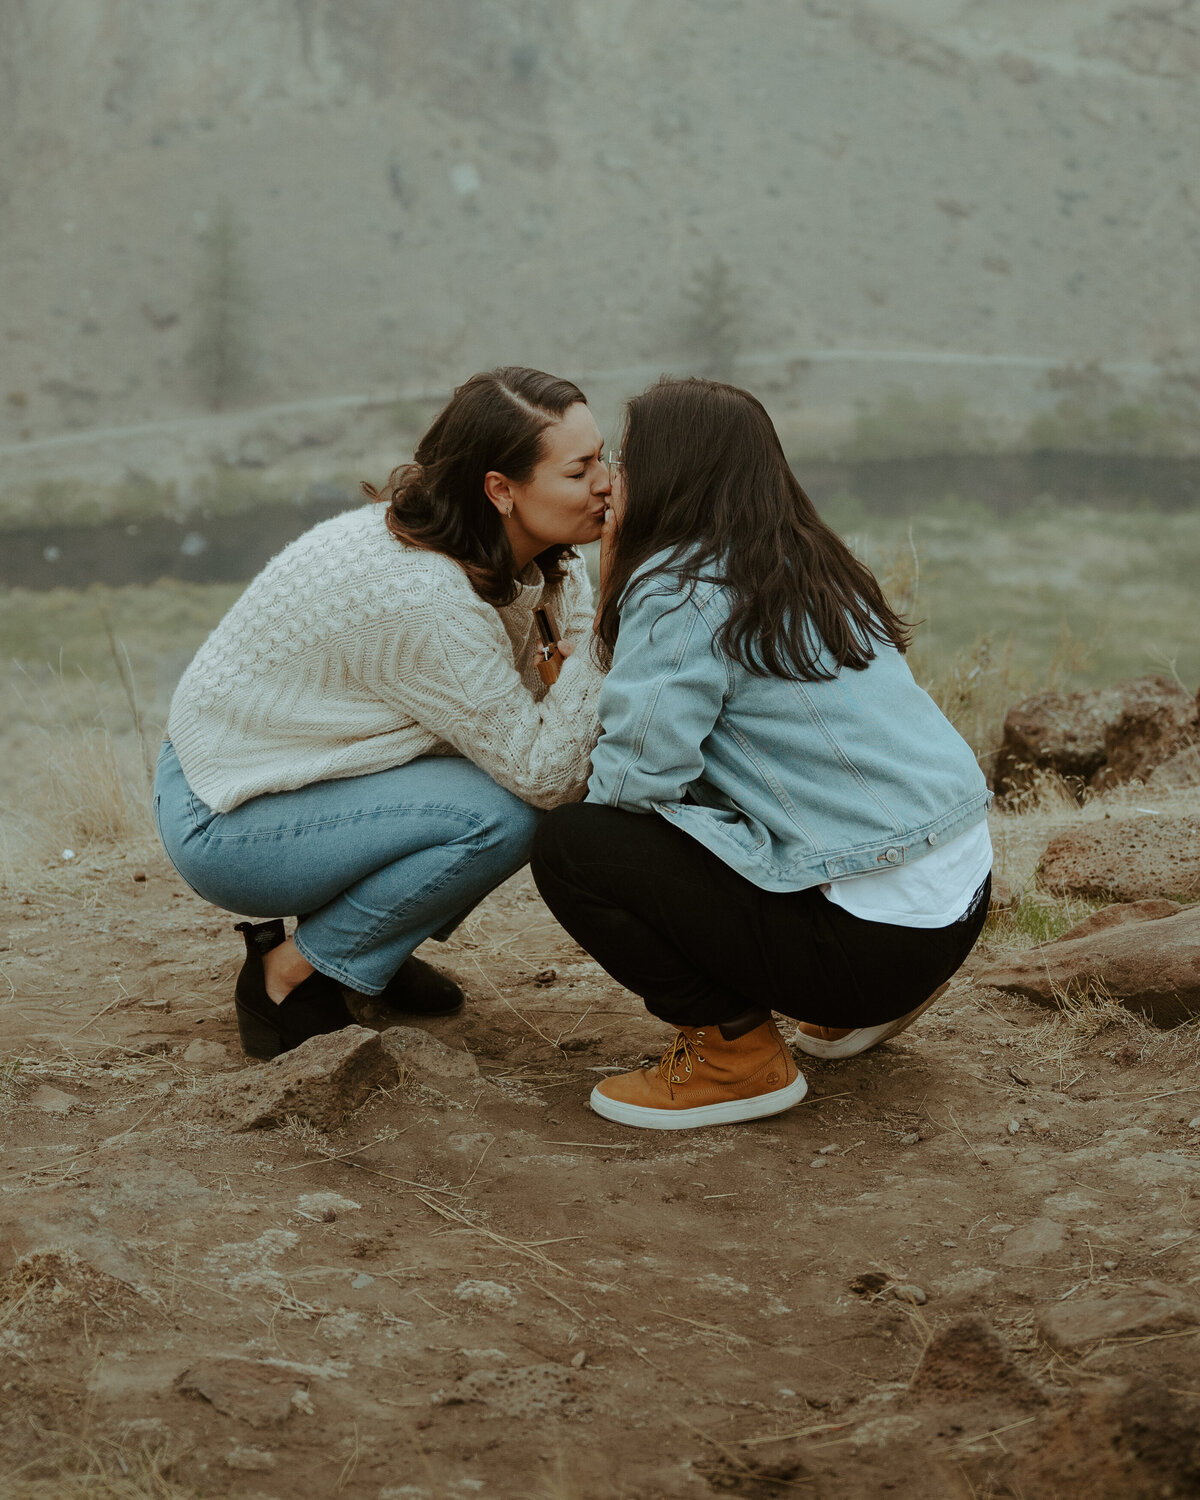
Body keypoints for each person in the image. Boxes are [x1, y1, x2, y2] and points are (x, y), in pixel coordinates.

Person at [531, 377, 992, 1131]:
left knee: (573, 848)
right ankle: (854, 1008)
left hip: (876, 945)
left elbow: (629, 783)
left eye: (625, 458)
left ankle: (733, 1056)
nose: (612, 480)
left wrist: (613, 601)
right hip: (957, 903)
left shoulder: (679, 587)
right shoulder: (810, 561)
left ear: (675, 470)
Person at [155, 367, 612, 1059]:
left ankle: (371, 948)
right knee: (509, 811)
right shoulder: (425, 597)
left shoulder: (540, 555)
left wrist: (583, 654)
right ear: (501, 490)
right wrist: (612, 626)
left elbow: (556, 694)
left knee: (503, 782)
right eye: (580, 470)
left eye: (604, 456)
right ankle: (286, 975)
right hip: (226, 817)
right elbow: (547, 771)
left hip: (302, 774)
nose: (607, 482)